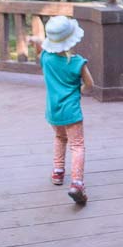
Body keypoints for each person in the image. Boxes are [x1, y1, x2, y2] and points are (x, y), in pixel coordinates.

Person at [29, 15, 95, 205]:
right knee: (77, 145)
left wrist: (36, 41)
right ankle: (77, 183)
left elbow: (41, 48)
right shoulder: (77, 62)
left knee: (59, 137)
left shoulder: (45, 58)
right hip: (72, 112)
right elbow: (90, 85)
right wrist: (78, 91)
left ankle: (58, 172)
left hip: (53, 111)